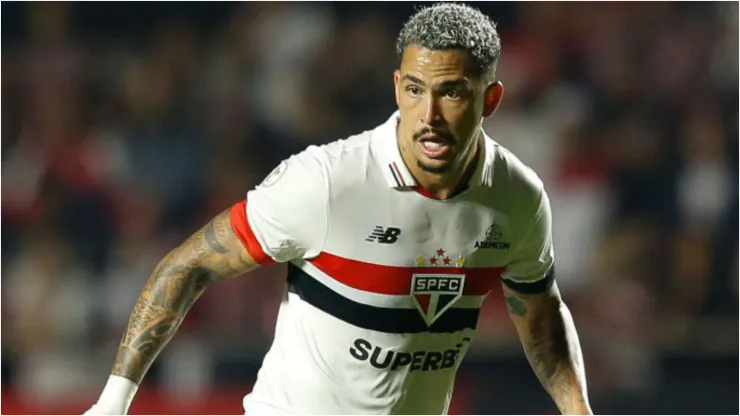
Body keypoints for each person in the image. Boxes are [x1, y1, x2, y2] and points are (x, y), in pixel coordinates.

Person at [86, 3, 592, 415]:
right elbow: (189, 263)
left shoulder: (517, 198)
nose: (430, 115)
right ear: (397, 87)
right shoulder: (327, 182)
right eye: (416, 90)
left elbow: (541, 312)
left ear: (491, 99)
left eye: (452, 93)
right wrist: (113, 403)